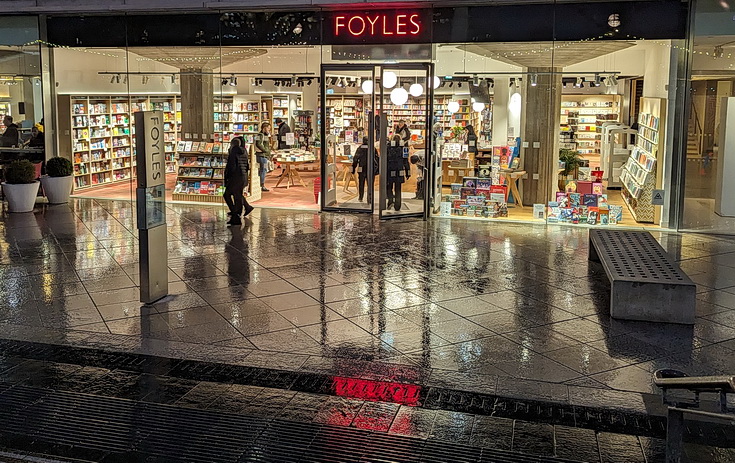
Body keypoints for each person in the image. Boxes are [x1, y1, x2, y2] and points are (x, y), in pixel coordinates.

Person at [223, 138, 253, 226]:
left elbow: (231, 166)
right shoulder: (244, 151)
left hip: (235, 177)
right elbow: (246, 165)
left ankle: (235, 214)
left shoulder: (233, 152)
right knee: (238, 195)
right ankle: (243, 209)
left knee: (228, 194)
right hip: (243, 176)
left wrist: (228, 176)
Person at [386, 135, 410, 211]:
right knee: (398, 188)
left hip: (390, 169)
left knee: (389, 186)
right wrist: (408, 172)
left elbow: (385, 159)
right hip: (399, 170)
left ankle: (390, 200)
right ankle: (397, 205)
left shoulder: (388, 147)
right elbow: (406, 161)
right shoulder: (403, 149)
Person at [351, 136, 373, 202]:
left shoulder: (360, 148)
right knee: (370, 183)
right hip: (370, 168)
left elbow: (355, 159)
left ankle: (361, 197)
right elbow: (377, 159)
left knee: (361, 183)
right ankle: (370, 198)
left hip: (361, 167)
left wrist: (353, 168)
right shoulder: (372, 148)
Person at [254, 122, 272, 191]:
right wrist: (265, 151)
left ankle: (260, 184)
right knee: (263, 170)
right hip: (262, 155)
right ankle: (261, 185)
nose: (269, 130)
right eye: (268, 128)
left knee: (262, 170)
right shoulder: (260, 135)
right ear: (264, 128)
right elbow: (258, 144)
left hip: (263, 155)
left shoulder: (264, 135)